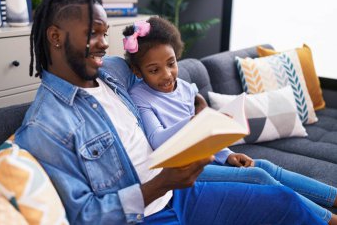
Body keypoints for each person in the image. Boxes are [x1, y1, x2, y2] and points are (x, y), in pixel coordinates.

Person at [14, 0, 326, 225]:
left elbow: (153, 62)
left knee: (284, 201)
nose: (105, 43)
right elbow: (83, 216)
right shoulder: (45, 125)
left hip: (180, 194)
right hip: (147, 214)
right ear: (55, 36)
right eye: (93, 33)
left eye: (106, 33)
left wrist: (196, 102)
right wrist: (160, 184)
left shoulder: (112, 72)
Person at [125, 16, 337, 225]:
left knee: (265, 166)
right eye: (154, 70)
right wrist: (194, 121)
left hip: (205, 157)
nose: (167, 75)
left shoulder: (185, 88)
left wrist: (228, 155)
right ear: (138, 71)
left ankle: (333, 196)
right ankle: (327, 219)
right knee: (257, 176)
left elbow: (207, 136)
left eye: (171, 63)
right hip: (180, 170)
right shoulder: (140, 96)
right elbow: (157, 140)